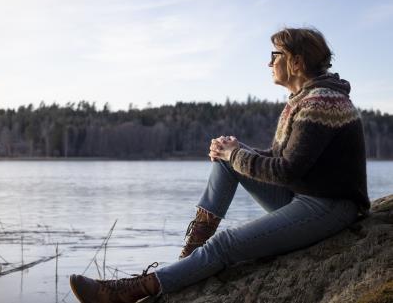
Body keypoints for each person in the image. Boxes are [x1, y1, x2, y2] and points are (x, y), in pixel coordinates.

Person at [69, 27, 370, 303]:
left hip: (330, 207)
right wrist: (233, 151)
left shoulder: (322, 102)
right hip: (304, 196)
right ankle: (189, 256)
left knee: (225, 244)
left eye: (274, 55)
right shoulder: (305, 99)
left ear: (296, 61)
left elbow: (286, 170)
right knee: (227, 165)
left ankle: (130, 291)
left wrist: (235, 154)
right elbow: (283, 161)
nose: (269, 63)